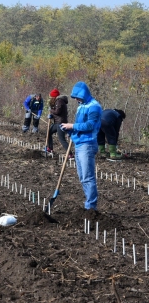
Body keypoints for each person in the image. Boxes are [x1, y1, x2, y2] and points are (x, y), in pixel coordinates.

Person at [60, 82, 102, 211]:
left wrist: (72, 126)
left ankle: (91, 206)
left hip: (88, 144)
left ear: (83, 94)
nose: (76, 100)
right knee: (82, 176)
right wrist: (69, 131)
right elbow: (79, 126)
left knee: (87, 176)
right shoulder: (81, 106)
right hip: (79, 143)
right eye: (74, 98)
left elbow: (90, 125)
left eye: (77, 97)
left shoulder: (94, 106)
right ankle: (89, 204)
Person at [46, 88, 70, 154]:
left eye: (51, 97)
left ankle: (70, 154)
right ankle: (50, 148)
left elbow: (57, 111)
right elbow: (57, 112)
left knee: (62, 139)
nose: (50, 98)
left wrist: (51, 110)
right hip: (57, 122)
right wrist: (52, 115)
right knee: (48, 132)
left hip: (61, 123)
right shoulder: (58, 101)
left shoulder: (59, 101)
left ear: (54, 96)